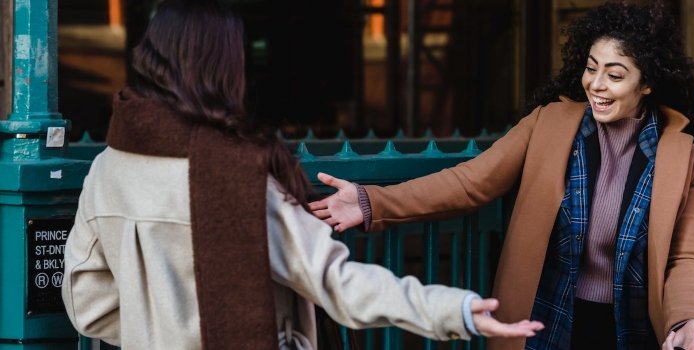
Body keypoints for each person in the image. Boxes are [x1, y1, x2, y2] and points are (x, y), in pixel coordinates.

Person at [60, 0, 545, 349]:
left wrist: (160, 332)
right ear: (222, 66)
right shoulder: (234, 176)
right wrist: (455, 311)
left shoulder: (107, 169)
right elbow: (337, 283)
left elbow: (88, 306)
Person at [310, 2, 694, 350]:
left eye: (615, 75)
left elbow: (687, 256)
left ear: (646, 82)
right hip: (546, 320)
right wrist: (371, 201)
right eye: (591, 68)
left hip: (634, 329)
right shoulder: (548, 124)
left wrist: (685, 320)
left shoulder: (688, 158)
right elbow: (470, 182)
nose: (596, 84)